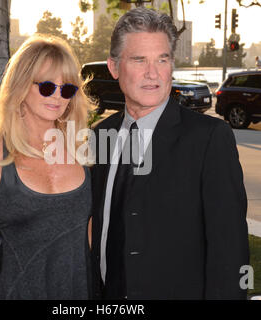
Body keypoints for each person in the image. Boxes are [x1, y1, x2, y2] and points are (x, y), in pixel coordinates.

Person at [90, 7, 249, 300]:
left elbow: (231, 252)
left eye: (162, 59)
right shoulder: (100, 136)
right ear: (114, 67)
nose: (153, 73)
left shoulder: (209, 139)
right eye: (139, 60)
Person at [0, 34, 93, 300]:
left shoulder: (82, 153)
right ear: (20, 85)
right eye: (47, 86)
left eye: (67, 89)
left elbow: (90, 238)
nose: (58, 97)